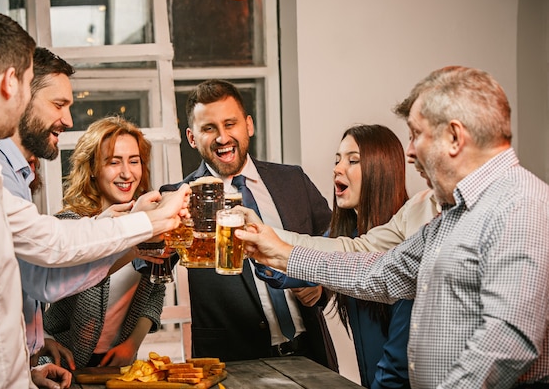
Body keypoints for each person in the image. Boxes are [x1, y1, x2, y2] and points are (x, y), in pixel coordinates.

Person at [0, 11, 190, 389]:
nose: (67, 118)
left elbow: (49, 242)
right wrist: (153, 222)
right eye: (33, 86)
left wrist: (27, 373)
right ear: (9, 82)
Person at [238, 66, 549, 388]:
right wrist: (284, 254)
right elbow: (383, 271)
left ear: (455, 137)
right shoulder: (456, 214)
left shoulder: (521, 206)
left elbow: (508, 344)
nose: (410, 151)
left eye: (416, 134)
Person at [161, 79, 338, 371]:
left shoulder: (293, 181)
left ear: (248, 126)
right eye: (209, 128)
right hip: (232, 364)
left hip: (311, 354)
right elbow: (149, 267)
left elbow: (337, 242)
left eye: (230, 124)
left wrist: (321, 286)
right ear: (192, 138)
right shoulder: (179, 198)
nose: (222, 137)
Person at [0, 47, 135, 381]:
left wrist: (31, 367)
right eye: (59, 105)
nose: (69, 120)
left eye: (134, 160)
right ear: (20, 97)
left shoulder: (17, 178)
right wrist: (139, 230)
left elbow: (20, 290)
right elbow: (45, 280)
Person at [43, 116, 166, 369]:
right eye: (113, 162)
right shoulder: (70, 224)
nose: (126, 173)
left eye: (134, 161)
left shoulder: (149, 224)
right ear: (92, 168)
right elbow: (85, 269)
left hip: (119, 363)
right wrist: (136, 236)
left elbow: (156, 288)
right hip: (61, 360)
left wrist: (131, 345)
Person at [325, 124, 412, 389]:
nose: (338, 168)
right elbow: (306, 259)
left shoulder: (407, 242)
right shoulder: (347, 235)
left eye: (353, 160)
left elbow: (399, 362)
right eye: (338, 159)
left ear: (381, 170)